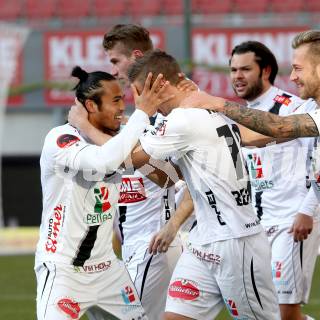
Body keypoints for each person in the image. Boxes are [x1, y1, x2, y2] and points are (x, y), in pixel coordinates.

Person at [182, 30, 320, 319]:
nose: (292, 77)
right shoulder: (313, 107)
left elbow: (278, 128)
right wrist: (199, 131)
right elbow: (257, 137)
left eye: (297, 68)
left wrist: (218, 103)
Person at [128, 50, 281, 320]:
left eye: (142, 93)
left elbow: (130, 155)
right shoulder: (202, 107)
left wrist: (137, 116)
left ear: (159, 85)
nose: (141, 102)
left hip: (235, 242)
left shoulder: (181, 120)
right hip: (203, 241)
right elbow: (176, 177)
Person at [34, 66, 168, 319]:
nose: (121, 108)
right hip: (65, 270)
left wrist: (138, 131)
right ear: (91, 106)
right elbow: (104, 162)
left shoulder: (119, 139)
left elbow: (168, 177)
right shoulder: (61, 139)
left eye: (123, 100)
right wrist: (141, 116)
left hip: (108, 271)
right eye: (115, 100)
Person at [101, 24, 195, 319]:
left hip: (154, 242)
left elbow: (179, 176)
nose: (113, 71)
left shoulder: (177, 109)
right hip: (138, 242)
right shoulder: (142, 115)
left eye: (116, 61)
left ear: (136, 55)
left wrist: (131, 153)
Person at [229, 40, 320, 320]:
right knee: (264, 310)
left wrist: (308, 211)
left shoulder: (294, 108)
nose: (237, 76)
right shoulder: (238, 116)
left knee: (285, 311)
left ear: (265, 70)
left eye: (245, 69)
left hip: (291, 221)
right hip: (257, 226)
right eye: (233, 70)